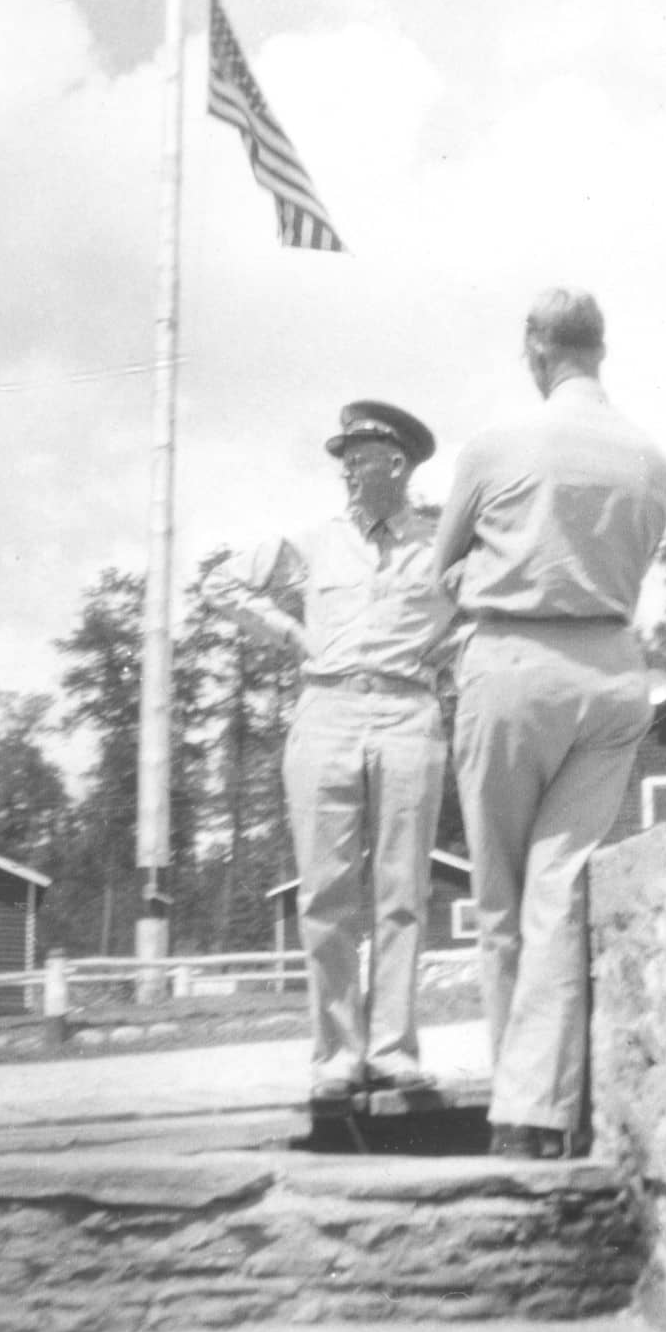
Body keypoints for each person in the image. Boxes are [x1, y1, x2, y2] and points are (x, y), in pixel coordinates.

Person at [432, 290, 666, 1158]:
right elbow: (631, 563)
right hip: (612, 672)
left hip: (513, 670)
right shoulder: (652, 459)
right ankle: (542, 1111)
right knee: (559, 893)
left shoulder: (496, 447)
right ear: (600, 350)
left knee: (500, 902)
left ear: (538, 349)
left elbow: (439, 575)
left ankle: (519, 1111)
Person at [225, 402, 452, 1100]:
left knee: (401, 892)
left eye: (362, 457)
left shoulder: (444, 543)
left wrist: (446, 657)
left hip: (408, 714)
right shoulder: (315, 541)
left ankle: (391, 1050)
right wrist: (292, 636)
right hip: (325, 710)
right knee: (324, 890)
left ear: (401, 465)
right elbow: (225, 585)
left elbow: (492, 604)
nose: (349, 471)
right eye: (344, 459)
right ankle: (336, 1054)